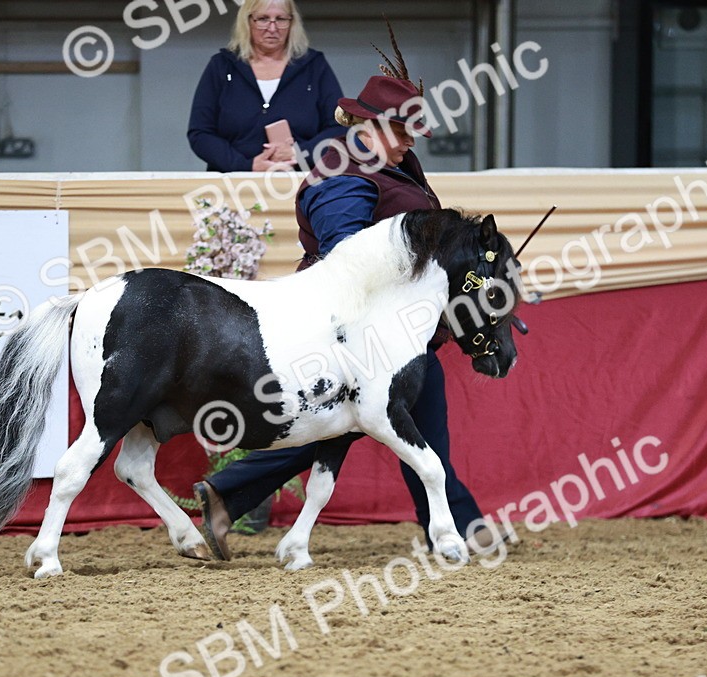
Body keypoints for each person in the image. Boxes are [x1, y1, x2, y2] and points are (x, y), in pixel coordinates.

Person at [194, 70, 500, 560]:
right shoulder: (340, 179)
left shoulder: (393, 164)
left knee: (371, 423)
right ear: (369, 126)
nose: (410, 142)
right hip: (353, 331)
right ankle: (456, 528)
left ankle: (227, 495)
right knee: (364, 423)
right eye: (401, 131)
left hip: (394, 331)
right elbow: (346, 263)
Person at [188, 0, 345, 172]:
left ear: (292, 23)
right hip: (234, 181)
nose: (272, 28)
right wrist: (246, 166)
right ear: (247, 21)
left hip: (301, 181)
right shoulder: (222, 66)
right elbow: (200, 133)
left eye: (281, 19)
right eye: (263, 19)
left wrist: (298, 154)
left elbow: (339, 128)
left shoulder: (314, 66)